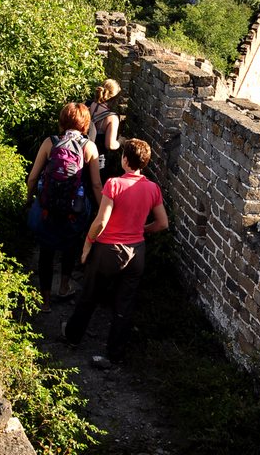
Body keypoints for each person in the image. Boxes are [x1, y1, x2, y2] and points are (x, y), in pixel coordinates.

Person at [61, 138, 168, 362]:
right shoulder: (152, 188)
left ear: (125, 159)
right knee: (124, 305)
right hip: (136, 252)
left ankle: (72, 336)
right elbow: (162, 224)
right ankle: (115, 354)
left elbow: (101, 221)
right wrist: (141, 229)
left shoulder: (114, 184)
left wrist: (88, 243)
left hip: (108, 250)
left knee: (90, 294)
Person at [26, 103, 102, 312]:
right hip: (74, 211)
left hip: (47, 208)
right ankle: (64, 286)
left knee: (46, 253)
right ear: (85, 123)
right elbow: (95, 184)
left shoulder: (50, 142)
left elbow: (33, 177)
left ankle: (45, 300)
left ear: (62, 120)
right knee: (70, 248)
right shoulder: (89, 147)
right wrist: (101, 207)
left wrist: (29, 199)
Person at [88, 79, 122, 184]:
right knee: (96, 186)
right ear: (115, 97)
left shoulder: (89, 106)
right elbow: (110, 145)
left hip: (83, 152)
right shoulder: (112, 118)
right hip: (97, 158)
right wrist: (121, 141)